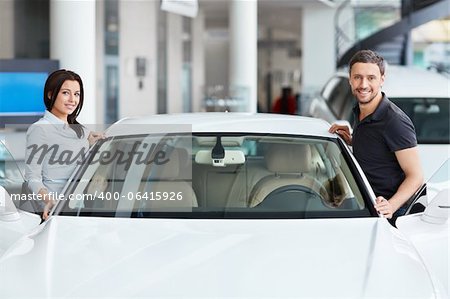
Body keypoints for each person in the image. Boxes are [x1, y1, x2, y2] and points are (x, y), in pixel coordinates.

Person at [329, 50, 423, 222]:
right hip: (363, 205)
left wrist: (391, 206)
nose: (363, 84)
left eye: (371, 78)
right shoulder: (361, 111)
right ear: (350, 79)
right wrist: (353, 139)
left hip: (387, 215)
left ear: (382, 79)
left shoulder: (394, 121)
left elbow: (416, 176)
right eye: (357, 77)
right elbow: (379, 147)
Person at [25, 69, 104, 220]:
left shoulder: (80, 130)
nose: (72, 100)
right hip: (56, 211)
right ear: (50, 94)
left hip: (81, 208)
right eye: (66, 93)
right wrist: (48, 200)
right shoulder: (40, 129)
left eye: (77, 94)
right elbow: (32, 177)